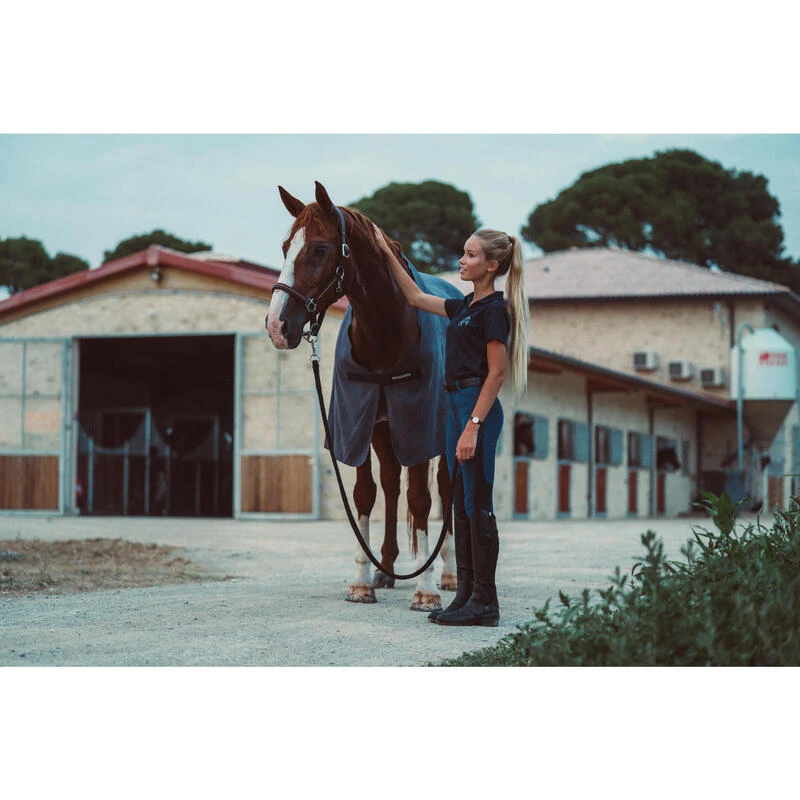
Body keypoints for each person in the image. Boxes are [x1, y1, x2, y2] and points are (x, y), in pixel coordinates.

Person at [375, 226, 528, 627]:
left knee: (478, 503)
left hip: (475, 407)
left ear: (491, 266)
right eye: (463, 252)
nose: (462, 260)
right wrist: (385, 251)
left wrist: (473, 425)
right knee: (459, 502)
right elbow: (414, 296)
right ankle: (465, 595)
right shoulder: (463, 307)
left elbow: (496, 373)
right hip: (453, 405)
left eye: (471, 255)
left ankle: (486, 603)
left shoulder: (494, 310)